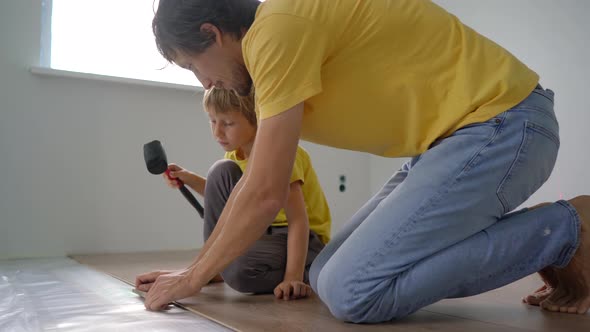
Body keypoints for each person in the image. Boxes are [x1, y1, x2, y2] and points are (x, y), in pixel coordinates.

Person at [139, 0, 590, 321]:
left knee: (352, 290)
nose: (203, 82)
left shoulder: (275, 30)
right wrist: (200, 269)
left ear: (210, 33)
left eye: (192, 66)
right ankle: (551, 233)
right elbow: (255, 181)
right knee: (323, 273)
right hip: (449, 145)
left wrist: (193, 277)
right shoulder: (276, 38)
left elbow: (264, 191)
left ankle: (565, 228)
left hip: (505, 123)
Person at [136, 87, 330, 301]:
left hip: (304, 243)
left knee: (237, 267)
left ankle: (310, 270)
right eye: (212, 121)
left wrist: (293, 277)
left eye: (227, 123)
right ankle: (206, 269)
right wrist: (188, 178)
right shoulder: (234, 155)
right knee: (220, 171)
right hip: (263, 233)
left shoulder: (283, 155)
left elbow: (298, 221)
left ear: (257, 119)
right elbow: (232, 200)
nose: (217, 132)